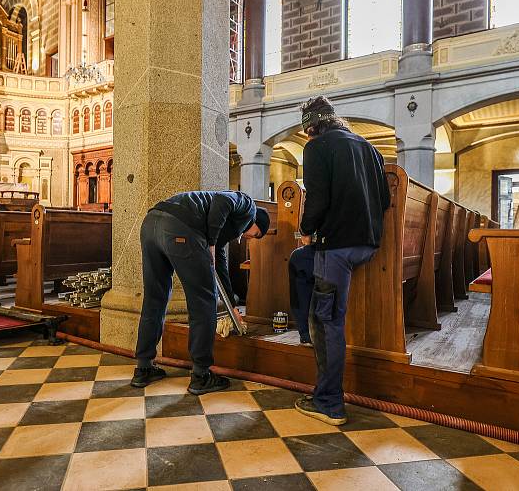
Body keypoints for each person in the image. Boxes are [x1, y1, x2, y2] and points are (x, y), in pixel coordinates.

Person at [293, 95, 390, 426]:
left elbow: (317, 199)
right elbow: (386, 200)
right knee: (314, 295)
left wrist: (306, 231)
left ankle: (329, 402)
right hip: (368, 244)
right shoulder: (369, 149)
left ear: (312, 127)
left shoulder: (317, 148)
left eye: (306, 131)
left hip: (335, 248)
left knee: (326, 321)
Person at [131, 191, 270, 395]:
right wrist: (211, 243)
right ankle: (201, 375)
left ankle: (143, 368)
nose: (251, 238)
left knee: (154, 298)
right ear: (257, 221)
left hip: (151, 224)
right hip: (179, 227)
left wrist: (231, 305)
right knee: (203, 302)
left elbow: (219, 263)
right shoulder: (248, 206)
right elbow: (223, 202)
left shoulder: (226, 225)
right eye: (257, 234)